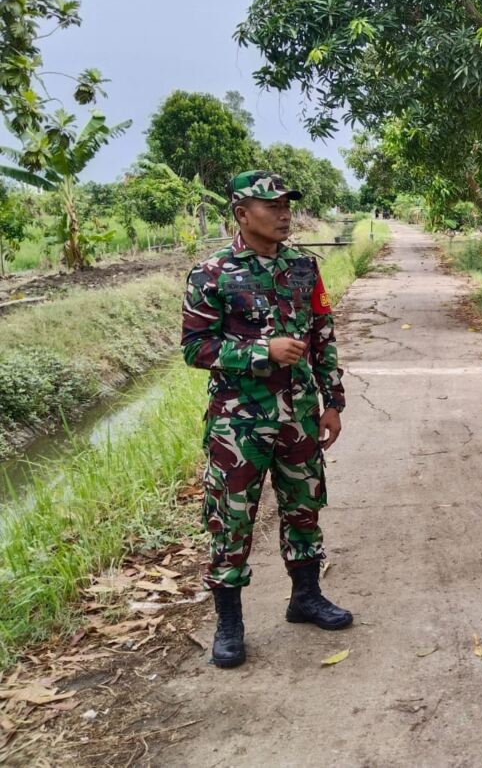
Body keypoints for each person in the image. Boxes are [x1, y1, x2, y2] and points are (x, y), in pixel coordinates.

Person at [181, 170, 352, 669]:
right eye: (271, 205)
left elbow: (322, 334)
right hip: (240, 422)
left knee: (304, 506)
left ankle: (305, 596)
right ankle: (229, 622)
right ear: (241, 213)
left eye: (286, 204)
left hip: (298, 413)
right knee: (232, 518)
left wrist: (333, 401)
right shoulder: (211, 272)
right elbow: (195, 347)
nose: (284, 213)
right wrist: (262, 350)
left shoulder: (303, 268)